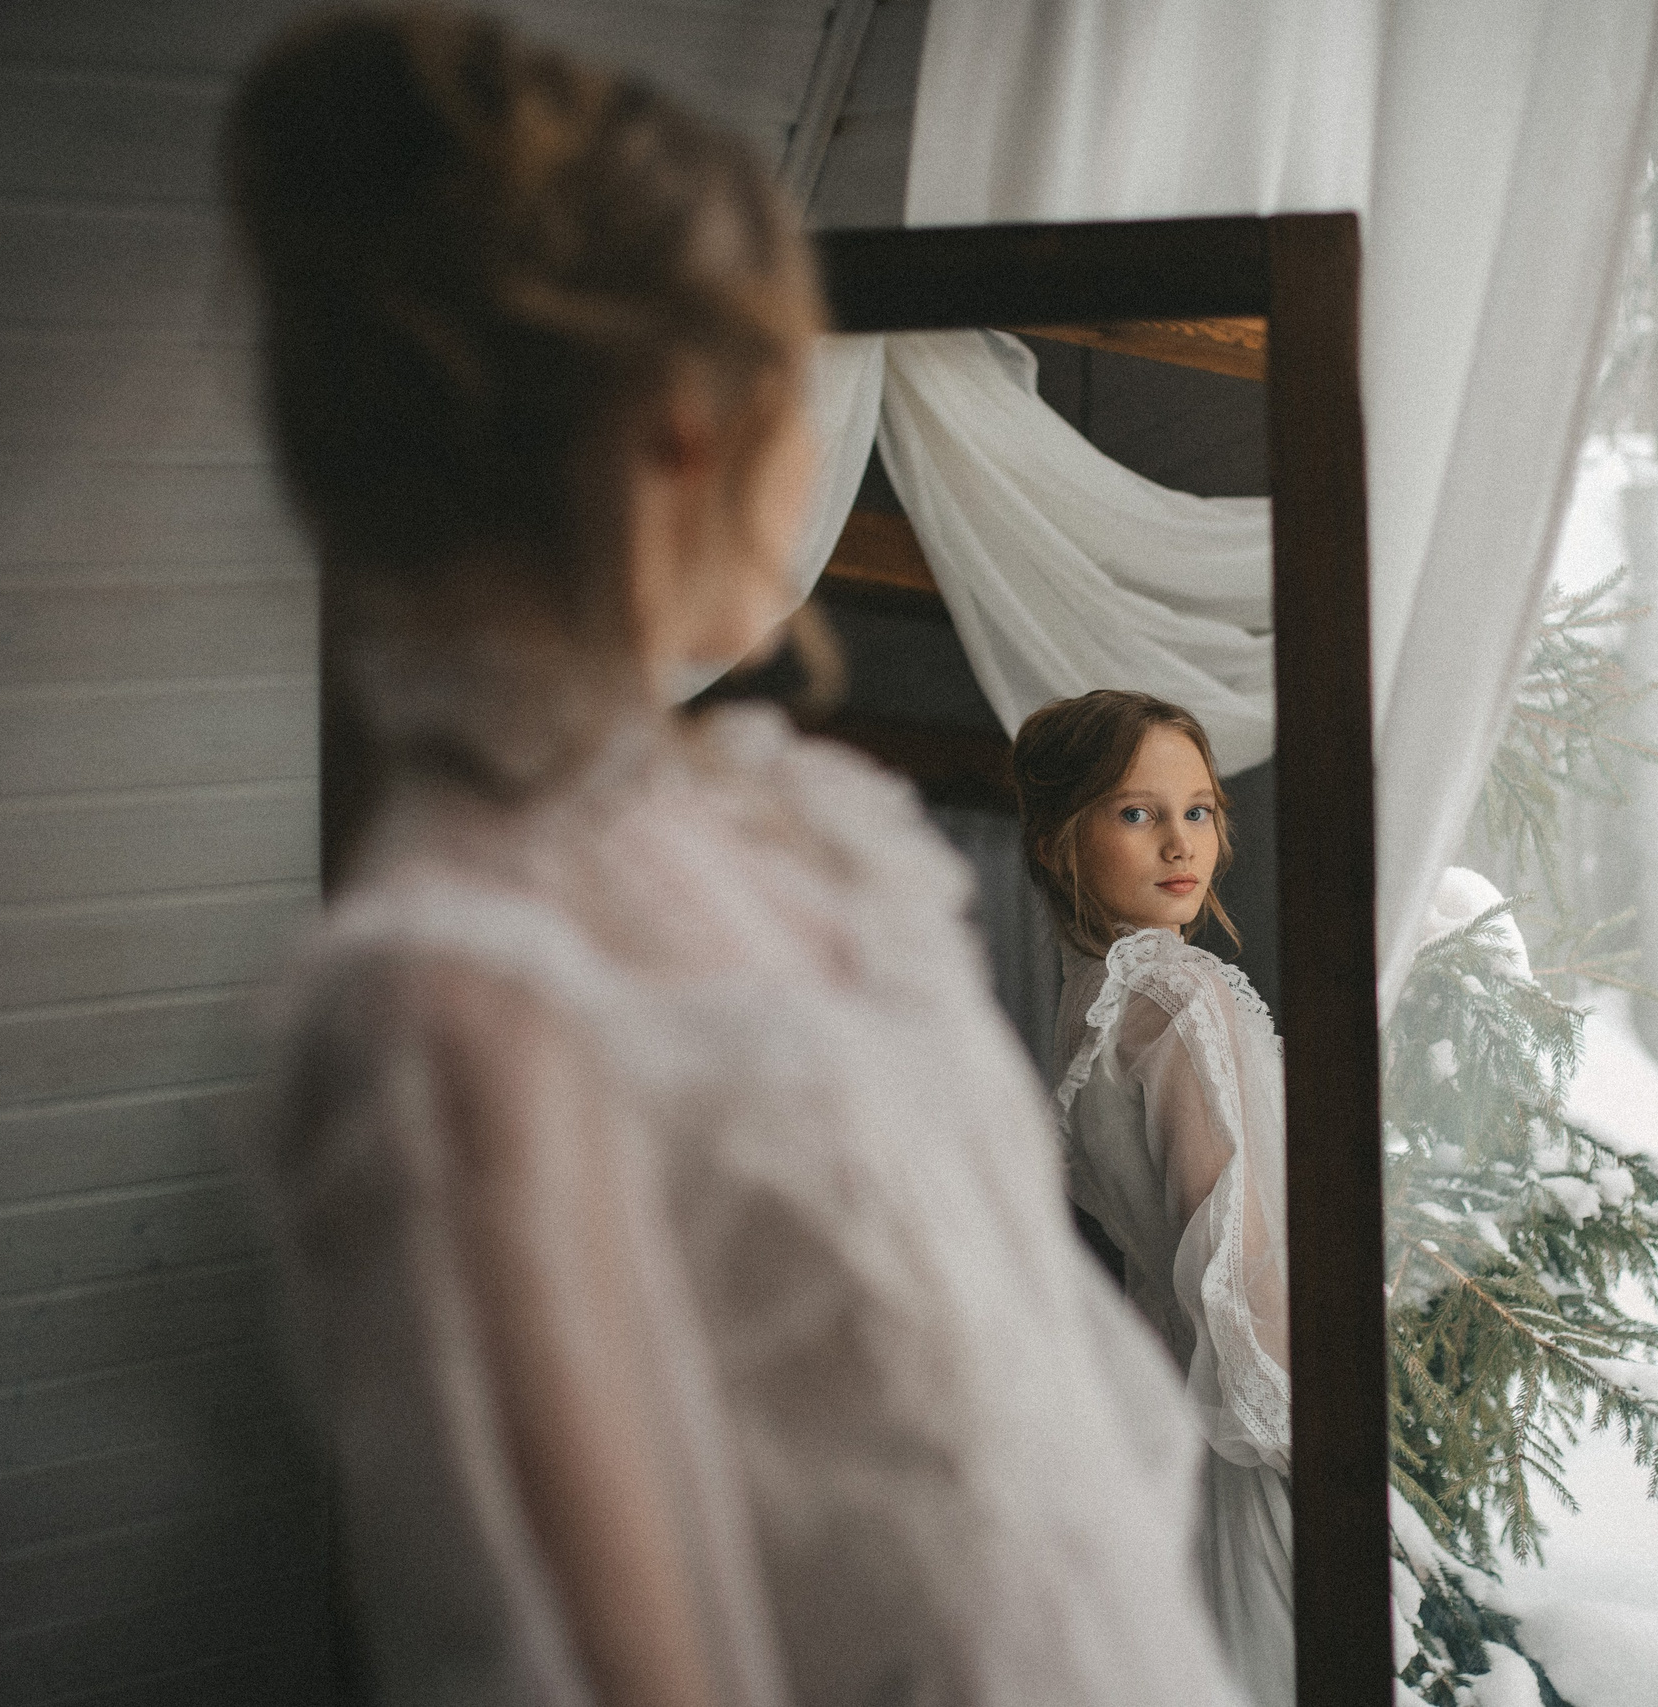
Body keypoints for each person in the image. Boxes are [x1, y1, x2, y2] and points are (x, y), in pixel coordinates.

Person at [227, 12, 1247, 1705]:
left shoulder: (814, 834)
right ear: (682, 433)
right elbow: (591, 1659)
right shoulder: (448, 1007)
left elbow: (1046, 1418)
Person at [1009, 691, 1294, 1707]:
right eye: (1136, 813)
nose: (1181, 842)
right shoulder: (1174, 992)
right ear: (1056, 843)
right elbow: (1226, 1243)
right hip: (1251, 1428)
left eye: (1200, 809)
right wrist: (1309, 1446)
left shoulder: (1085, 1000)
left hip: (1168, 1427)